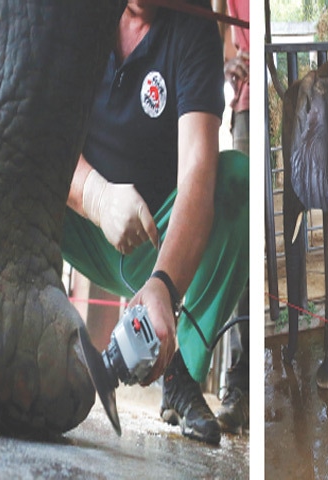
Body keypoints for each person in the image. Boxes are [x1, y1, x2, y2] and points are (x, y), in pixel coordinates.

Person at [61, 0, 248, 445]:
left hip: (155, 235)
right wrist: (95, 196)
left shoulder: (195, 28)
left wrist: (164, 282)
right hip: (74, 216)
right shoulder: (74, 14)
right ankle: (19, 323)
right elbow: (32, 129)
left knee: (237, 180)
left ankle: (180, 373)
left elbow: (198, 169)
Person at [215, 0, 250, 435]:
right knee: (236, 237)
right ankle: (234, 385)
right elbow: (217, 22)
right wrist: (228, 62)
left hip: (264, 101)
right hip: (243, 106)